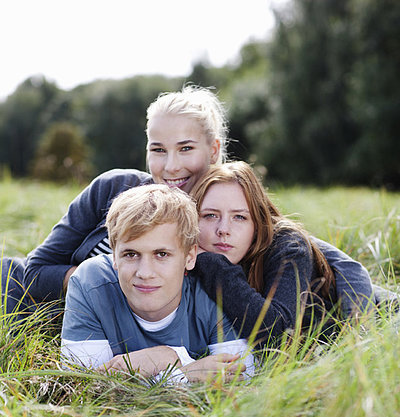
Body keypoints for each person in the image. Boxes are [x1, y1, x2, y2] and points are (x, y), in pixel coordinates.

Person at [1, 85, 376, 318]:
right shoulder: (113, 188)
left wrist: (365, 329)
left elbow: (344, 268)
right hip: (65, 311)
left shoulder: (228, 221)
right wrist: (109, 276)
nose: (171, 166)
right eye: (158, 150)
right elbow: (36, 271)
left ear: (214, 150)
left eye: (186, 149)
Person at [61, 184, 253, 383]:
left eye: (162, 254)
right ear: (114, 256)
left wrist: (167, 362)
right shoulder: (90, 282)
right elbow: (83, 387)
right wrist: (181, 370)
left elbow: (242, 377)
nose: (145, 273)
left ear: (190, 256)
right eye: (131, 254)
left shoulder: (213, 289)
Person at [190, 161, 377, 344]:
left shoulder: (288, 248)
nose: (223, 229)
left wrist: (212, 263)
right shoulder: (182, 254)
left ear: (258, 223)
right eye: (210, 215)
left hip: (382, 328)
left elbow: (277, 335)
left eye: (239, 217)